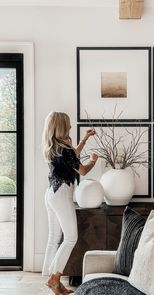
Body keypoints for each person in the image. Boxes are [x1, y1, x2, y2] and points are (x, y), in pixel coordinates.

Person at [41, 111, 98, 295]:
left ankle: (53, 283)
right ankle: (55, 279)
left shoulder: (53, 147)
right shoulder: (64, 150)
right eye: (68, 124)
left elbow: (72, 155)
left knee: (54, 238)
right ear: (62, 127)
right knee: (71, 237)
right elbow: (82, 171)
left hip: (50, 193)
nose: (71, 127)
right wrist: (92, 162)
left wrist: (85, 139)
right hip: (62, 193)